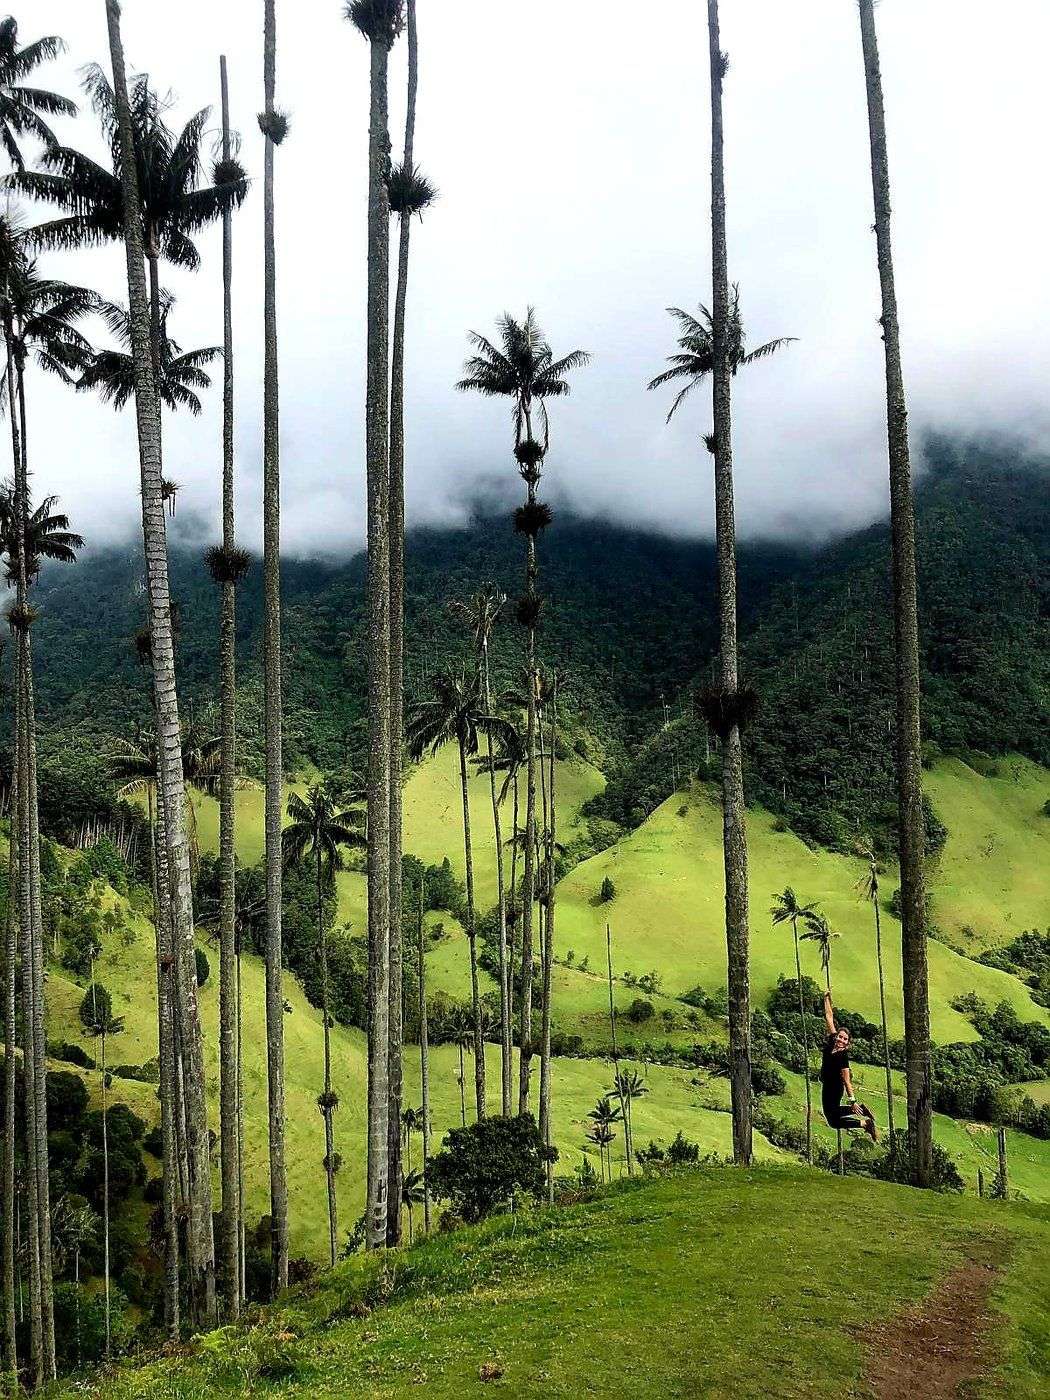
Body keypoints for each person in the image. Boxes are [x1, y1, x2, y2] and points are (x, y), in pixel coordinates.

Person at [821, 989, 878, 1141]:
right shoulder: (832, 1040)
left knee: (832, 1119)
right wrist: (826, 998)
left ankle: (864, 1121)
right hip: (827, 1085)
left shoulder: (843, 1057)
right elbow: (829, 1017)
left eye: (845, 1039)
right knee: (833, 1116)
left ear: (848, 1043)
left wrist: (852, 1100)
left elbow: (847, 1080)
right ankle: (864, 1117)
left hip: (834, 1088)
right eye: (840, 1036)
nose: (841, 1040)